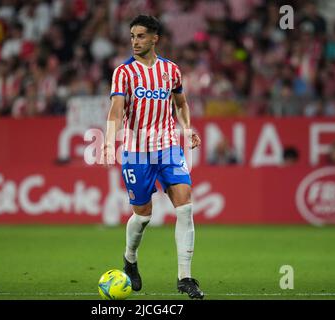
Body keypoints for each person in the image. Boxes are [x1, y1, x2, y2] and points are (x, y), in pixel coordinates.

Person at [102, 15, 204, 299]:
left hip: (169, 148)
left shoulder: (171, 70)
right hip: (137, 152)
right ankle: (130, 258)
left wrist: (187, 128)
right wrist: (110, 142)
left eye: (141, 36)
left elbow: (181, 104)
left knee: (185, 207)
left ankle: (185, 277)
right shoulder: (124, 72)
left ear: (154, 38)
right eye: (132, 36)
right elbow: (116, 111)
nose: (135, 41)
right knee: (143, 217)